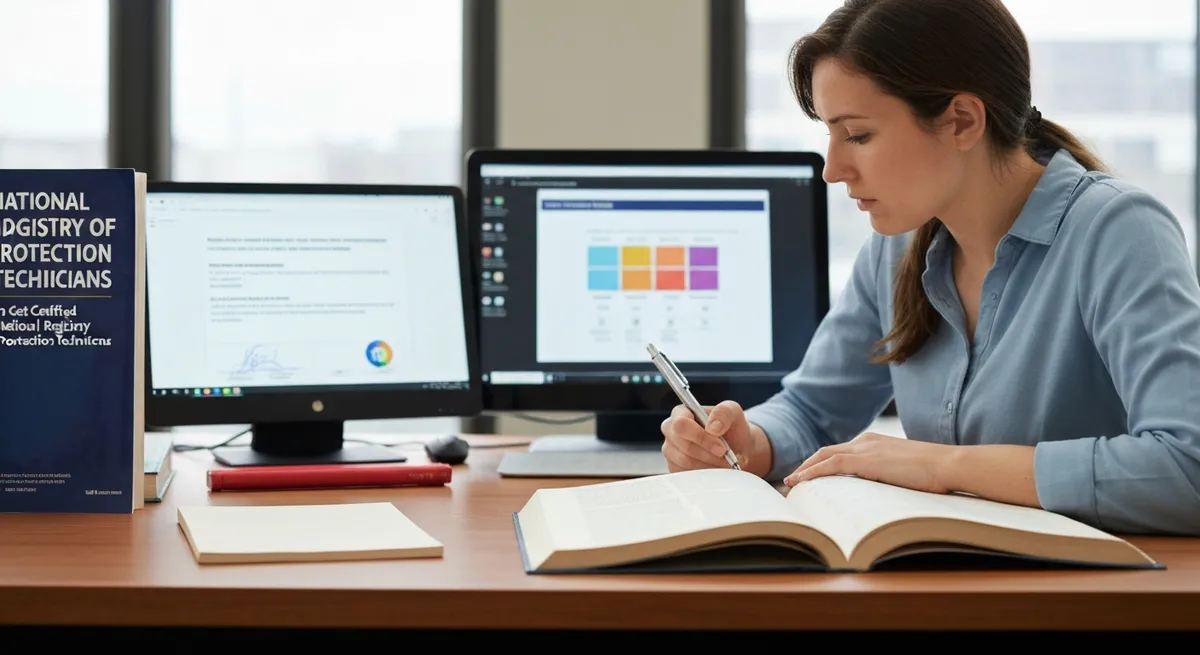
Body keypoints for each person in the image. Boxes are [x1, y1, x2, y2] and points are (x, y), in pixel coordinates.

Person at [660, 0, 1200, 537]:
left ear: (962, 120)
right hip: (946, 581)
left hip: (1095, 598)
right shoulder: (898, 248)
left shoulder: (1118, 231)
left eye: (858, 135)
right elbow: (812, 410)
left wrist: (939, 466)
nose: (832, 170)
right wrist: (748, 440)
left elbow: (1187, 466)